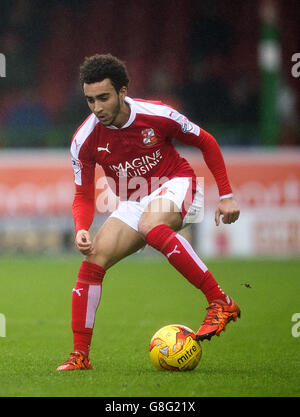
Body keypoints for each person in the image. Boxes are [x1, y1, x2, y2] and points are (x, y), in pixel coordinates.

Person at [57, 54, 240, 371]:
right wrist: (81, 228)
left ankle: (221, 302)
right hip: (134, 200)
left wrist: (226, 195)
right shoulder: (84, 140)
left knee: (152, 226)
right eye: (90, 100)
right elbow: (83, 194)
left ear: (122, 92)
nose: (97, 107)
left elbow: (206, 142)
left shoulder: (157, 114)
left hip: (177, 183)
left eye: (103, 97)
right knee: (93, 258)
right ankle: (80, 357)